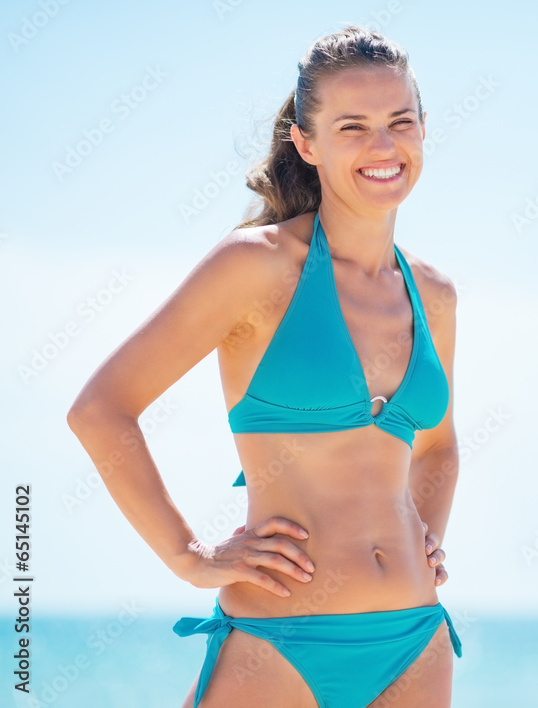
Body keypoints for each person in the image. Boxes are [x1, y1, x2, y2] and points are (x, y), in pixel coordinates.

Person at [66, 25, 463, 708]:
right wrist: (189, 556)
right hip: (277, 644)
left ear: (423, 129)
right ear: (306, 144)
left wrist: (423, 536)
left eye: (401, 121)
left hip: (414, 645)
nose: (383, 146)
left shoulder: (433, 293)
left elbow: (438, 448)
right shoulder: (254, 266)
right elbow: (101, 409)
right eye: (353, 127)